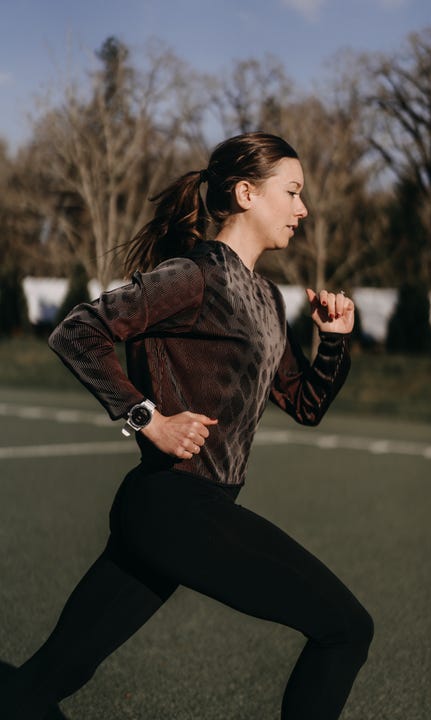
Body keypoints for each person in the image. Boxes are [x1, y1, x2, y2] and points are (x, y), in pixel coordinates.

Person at [4, 132, 373, 720]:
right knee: (347, 629)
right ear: (247, 193)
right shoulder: (193, 276)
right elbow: (76, 333)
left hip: (184, 513)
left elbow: (305, 404)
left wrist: (333, 343)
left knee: (47, 679)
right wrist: (148, 419)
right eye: (294, 192)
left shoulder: (268, 300)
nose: (303, 209)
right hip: (175, 506)